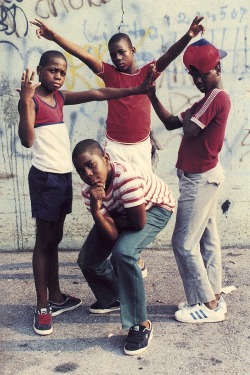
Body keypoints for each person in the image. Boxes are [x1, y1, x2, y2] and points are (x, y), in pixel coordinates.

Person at [17, 50, 155, 336]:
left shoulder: (59, 98)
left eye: (62, 72)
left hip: (62, 178)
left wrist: (139, 89)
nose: (58, 75)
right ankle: (42, 306)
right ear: (40, 70)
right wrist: (25, 100)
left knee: (54, 238)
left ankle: (55, 297)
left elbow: (97, 92)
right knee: (44, 241)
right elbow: (27, 140)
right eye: (52, 70)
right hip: (44, 179)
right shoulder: (32, 102)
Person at [30, 16, 205, 170]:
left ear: (132, 51)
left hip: (141, 145)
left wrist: (188, 35)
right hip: (115, 146)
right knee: (116, 194)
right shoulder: (110, 73)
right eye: (113, 55)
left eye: (122, 52)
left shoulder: (147, 73)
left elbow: (169, 55)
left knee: (140, 194)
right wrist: (54, 37)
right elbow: (83, 55)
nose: (118, 58)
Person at [148, 39, 231, 323]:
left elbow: (192, 131)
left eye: (202, 74)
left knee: (183, 243)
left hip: (200, 180)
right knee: (207, 238)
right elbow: (173, 123)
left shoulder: (216, 97)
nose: (197, 80)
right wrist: (151, 95)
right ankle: (213, 296)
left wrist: (192, 116)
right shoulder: (204, 101)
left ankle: (206, 305)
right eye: (193, 75)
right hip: (199, 179)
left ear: (217, 67)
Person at [72, 139, 175, 355]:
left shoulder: (125, 178)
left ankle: (141, 324)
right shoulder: (89, 191)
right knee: (88, 259)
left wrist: (111, 218)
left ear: (106, 159)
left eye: (91, 165)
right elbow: (111, 234)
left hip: (154, 207)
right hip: (124, 213)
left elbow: (138, 223)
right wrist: (95, 209)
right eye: (82, 171)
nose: (88, 174)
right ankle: (114, 297)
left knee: (124, 253)